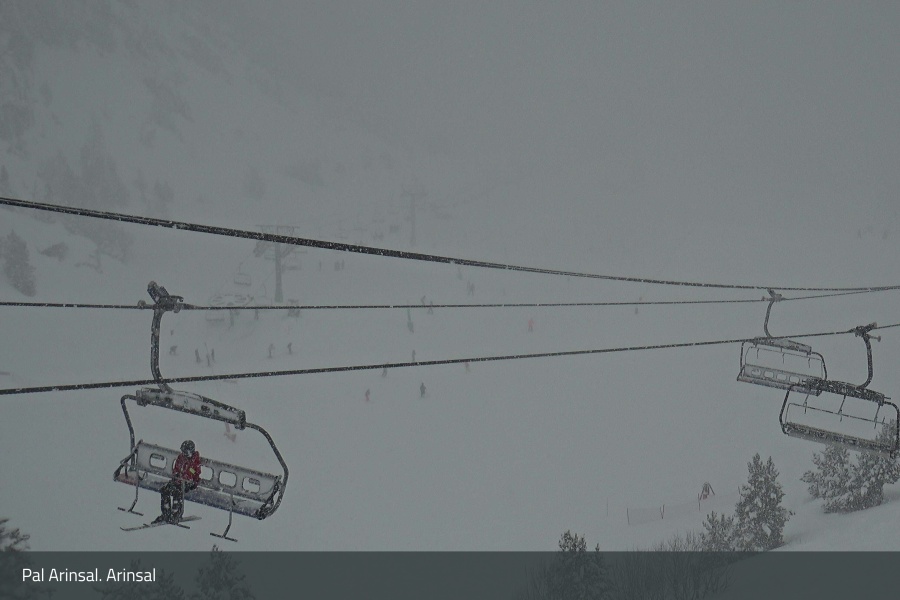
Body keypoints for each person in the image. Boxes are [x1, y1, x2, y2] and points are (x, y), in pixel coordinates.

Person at [153, 440, 201, 523]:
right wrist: (176, 474)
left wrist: (187, 477)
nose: (184, 453)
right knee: (165, 490)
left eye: (185, 452)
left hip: (188, 483)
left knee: (177, 492)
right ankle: (166, 513)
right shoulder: (181, 457)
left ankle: (176, 513)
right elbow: (176, 468)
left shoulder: (195, 460)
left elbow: (195, 472)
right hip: (178, 481)